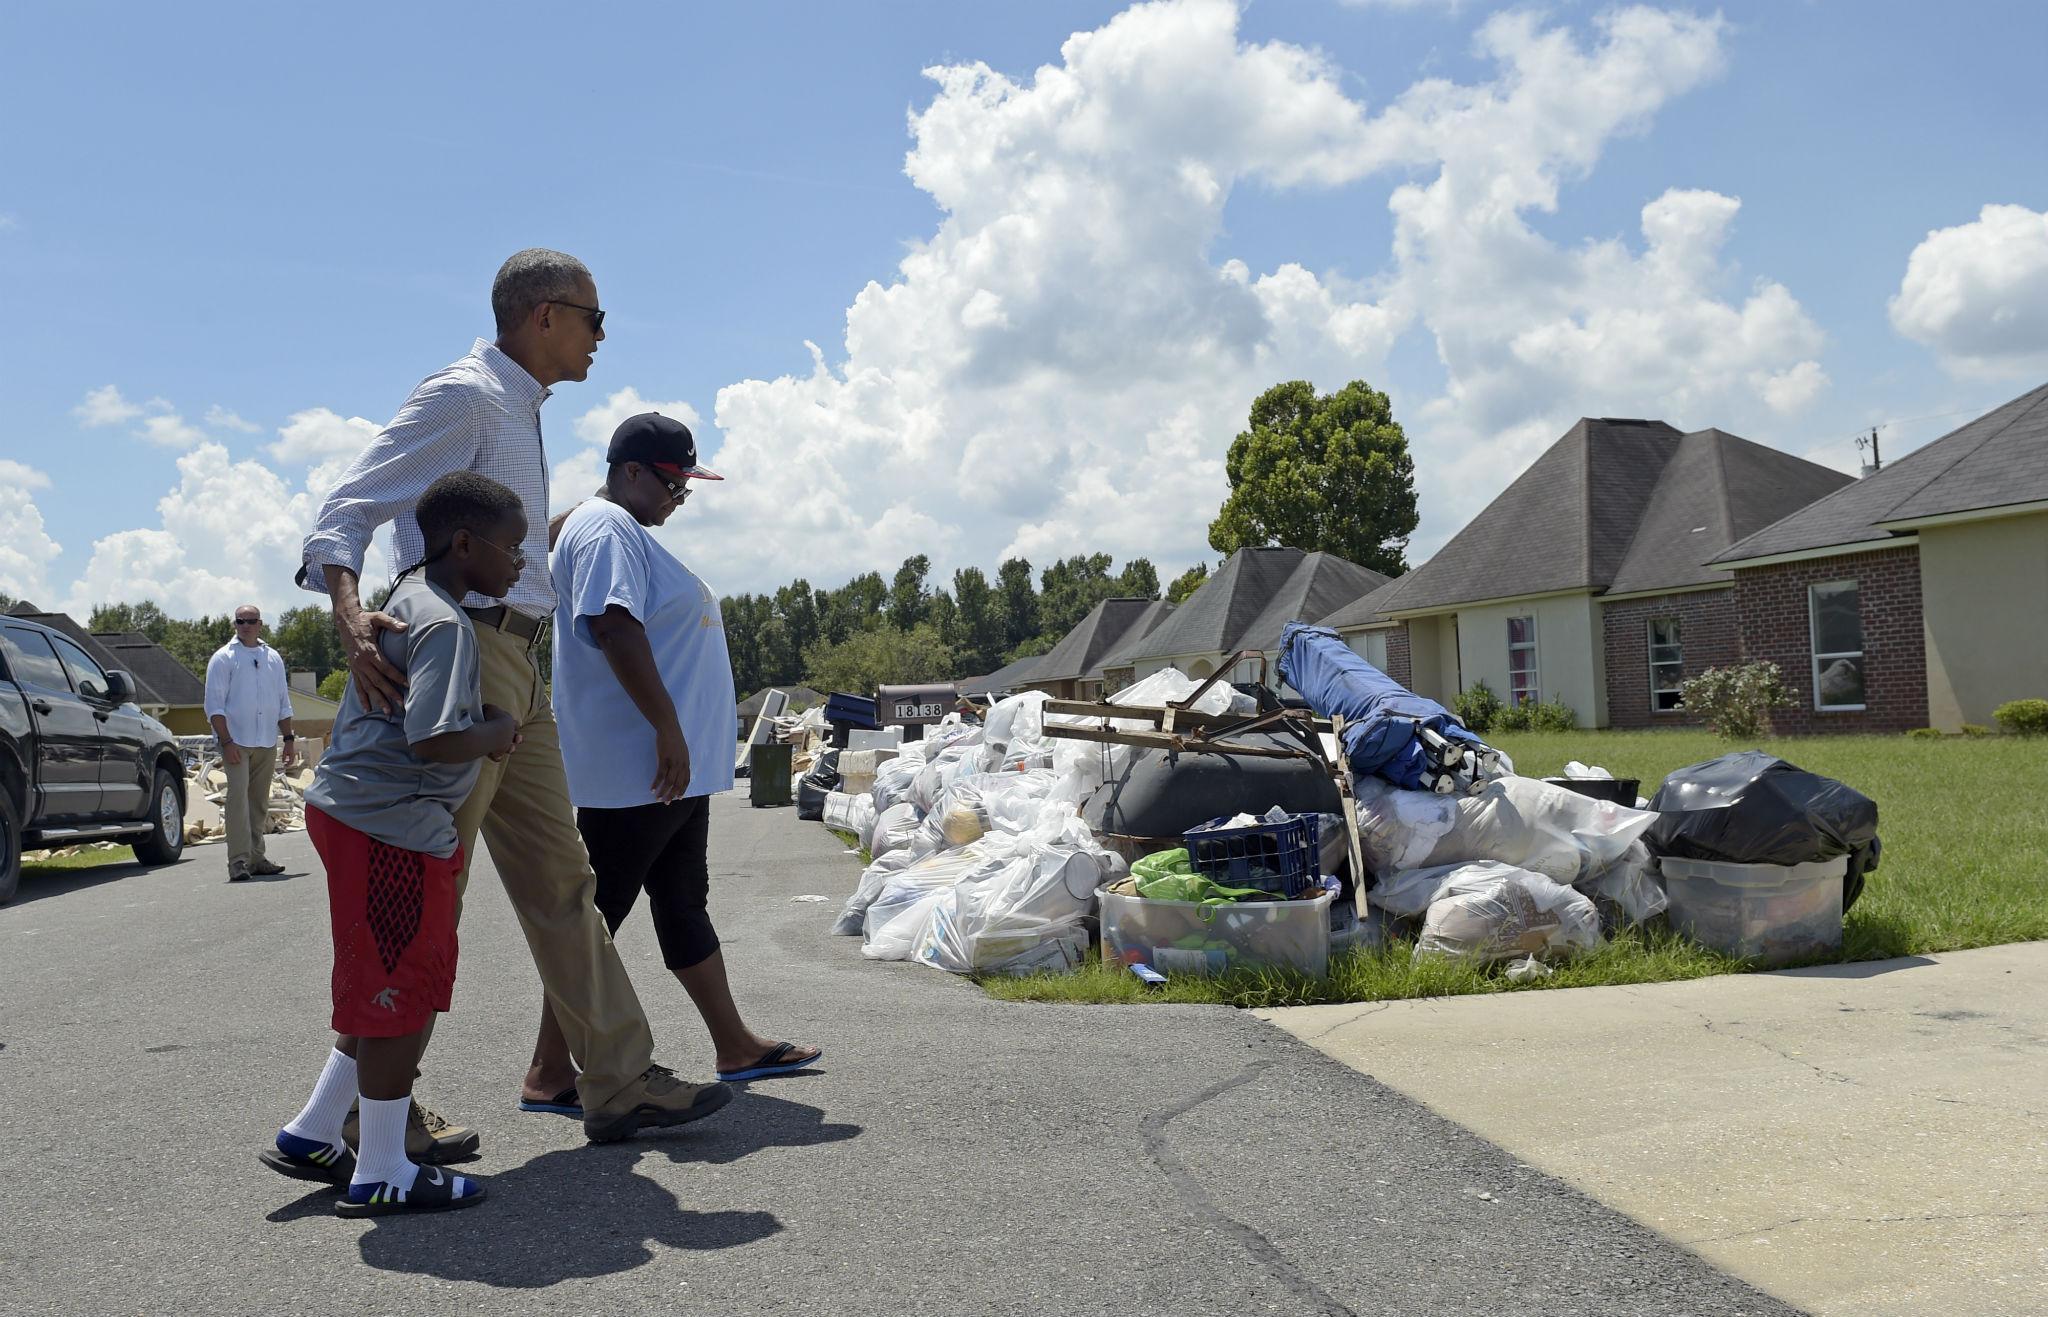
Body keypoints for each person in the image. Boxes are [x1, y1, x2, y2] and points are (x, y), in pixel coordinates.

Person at [298, 248, 730, 1154]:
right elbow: (348, 507)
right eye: (593, 317)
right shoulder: (464, 396)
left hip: (518, 664)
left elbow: (518, 548)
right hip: (465, 654)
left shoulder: (518, 410)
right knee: (423, 891)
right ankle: (366, 1112)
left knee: (561, 882)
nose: (602, 336)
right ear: (543, 315)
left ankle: (616, 1077)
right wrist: (346, 610)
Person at [520, 415, 819, 1118]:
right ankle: (549, 1069)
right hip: (640, 769)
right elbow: (613, 625)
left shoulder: (604, 525)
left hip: (670, 769)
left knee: (681, 901)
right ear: (630, 471)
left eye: (688, 482)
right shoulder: (609, 529)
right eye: (672, 479)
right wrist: (666, 727)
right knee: (596, 915)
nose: (681, 494)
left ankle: (733, 1042)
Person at [264, 471, 522, 1216]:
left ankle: (314, 1130)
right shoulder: (441, 622)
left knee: (391, 981)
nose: (519, 564)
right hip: (390, 824)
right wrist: (496, 731)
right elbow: (436, 738)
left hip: (371, 817)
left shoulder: (412, 595)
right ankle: (382, 1168)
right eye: (511, 548)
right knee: (396, 996)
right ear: (464, 543)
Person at [203, 605, 296, 882]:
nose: (245, 625)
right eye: (240, 621)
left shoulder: (273, 658)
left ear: (260, 624)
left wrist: (289, 739)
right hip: (236, 741)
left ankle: (257, 857)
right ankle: (238, 861)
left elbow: (283, 702)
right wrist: (226, 741)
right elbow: (214, 707)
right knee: (237, 802)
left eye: (251, 621)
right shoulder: (223, 658)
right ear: (234, 624)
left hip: (266, 741)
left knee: (258, 803)